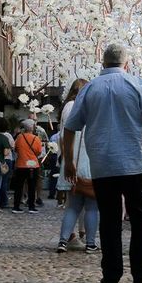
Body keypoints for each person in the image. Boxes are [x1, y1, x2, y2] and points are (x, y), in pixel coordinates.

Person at [62, 44, 142, 283]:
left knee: (109, 220)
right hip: (134, 163)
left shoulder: (89, 88)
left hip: (103, 165)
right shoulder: (137, 84)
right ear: (126, 64)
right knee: (141, 219)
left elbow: (70, 128)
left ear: (102, 62)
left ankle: (111, 275)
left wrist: (70, 162)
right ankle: (141, 274)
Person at [56, 78, 99, 253]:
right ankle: (90, 243)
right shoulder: (93, 108)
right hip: (90, 161)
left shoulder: (67, 107)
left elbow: (63, 134)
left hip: (71, 159)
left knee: (72, 206)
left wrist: (63, 158)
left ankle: (63, 241)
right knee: (92, 207)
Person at [10, 119, 43, 213]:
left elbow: (15, 149)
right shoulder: (36, 138)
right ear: (32, 128)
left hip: (21, 163)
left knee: (19, 186)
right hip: (32, 164)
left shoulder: (20, 137)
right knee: (32, 186)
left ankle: (16, 206)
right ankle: (31, 206)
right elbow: (39, 152)